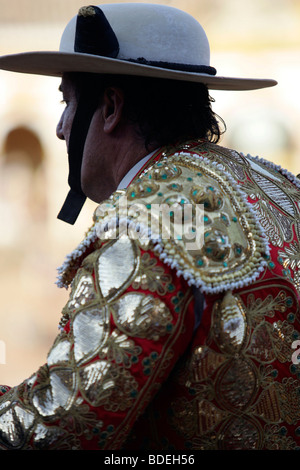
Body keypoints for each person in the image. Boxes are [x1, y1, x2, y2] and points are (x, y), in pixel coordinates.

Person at [0, 2, 299, 451]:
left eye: (67, 102)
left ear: (111, 107)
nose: (61, 129)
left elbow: (62, 424)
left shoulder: (145, 219)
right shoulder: (274, 184)